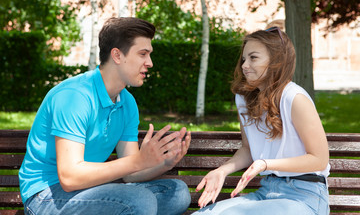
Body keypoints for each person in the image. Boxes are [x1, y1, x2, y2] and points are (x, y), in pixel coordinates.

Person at [19, 17, 191, 215]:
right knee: (140, 201)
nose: (150, 63)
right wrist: (139, 161)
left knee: (177, 193)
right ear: (117, 55)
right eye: (143, 54)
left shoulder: (127, 103)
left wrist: (164, 163)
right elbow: (69, 178)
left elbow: (131, 174)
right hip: (46, 196)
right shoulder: (74, 96)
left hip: (89, 190)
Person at [193, 27, 330, 215]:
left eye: (253, 58)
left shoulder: (294, 98)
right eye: (243, 59)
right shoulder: (244, 99)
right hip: (267, 192)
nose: (244, 65)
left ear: (276, 61)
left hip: (304, 196)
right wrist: (222, 171)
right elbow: (249, 150)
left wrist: (266, 164)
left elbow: (319, 159)